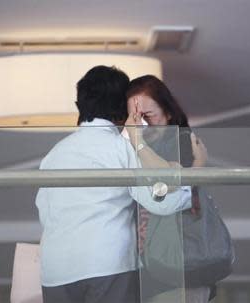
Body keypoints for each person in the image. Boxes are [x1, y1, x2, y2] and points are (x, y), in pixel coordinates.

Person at [35, 66, 193, 303]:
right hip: (108, 263)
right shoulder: (122, 148)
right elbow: (162, 202)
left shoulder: (53, 154)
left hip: (56, 269)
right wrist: (188, 184)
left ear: (80, 104)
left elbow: (45, 212)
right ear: (123, 109)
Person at [126, 75, 213, 303]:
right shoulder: (133, 151)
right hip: (153, 273)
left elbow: (172, 188)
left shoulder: (182, 144)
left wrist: (137, 141)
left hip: (182, 273)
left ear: (169, 113)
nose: (141, 125)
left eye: (147, 116)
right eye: (135, 118)